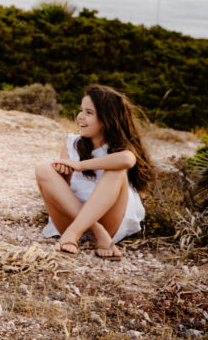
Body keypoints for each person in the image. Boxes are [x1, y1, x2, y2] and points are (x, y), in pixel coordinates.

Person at [36, 84, 157, 260]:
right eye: (80, 111)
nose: (80, 117)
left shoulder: (119, 150)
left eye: (89, 113)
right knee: (43, 169)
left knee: (117, 171)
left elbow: (127, 160)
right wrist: (62, 173)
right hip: (70, 221)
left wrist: (80, 166)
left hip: (109, 222)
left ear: (107, 118)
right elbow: (64, 188)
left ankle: (78, 233)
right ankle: (94, 231)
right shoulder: (72, 143)